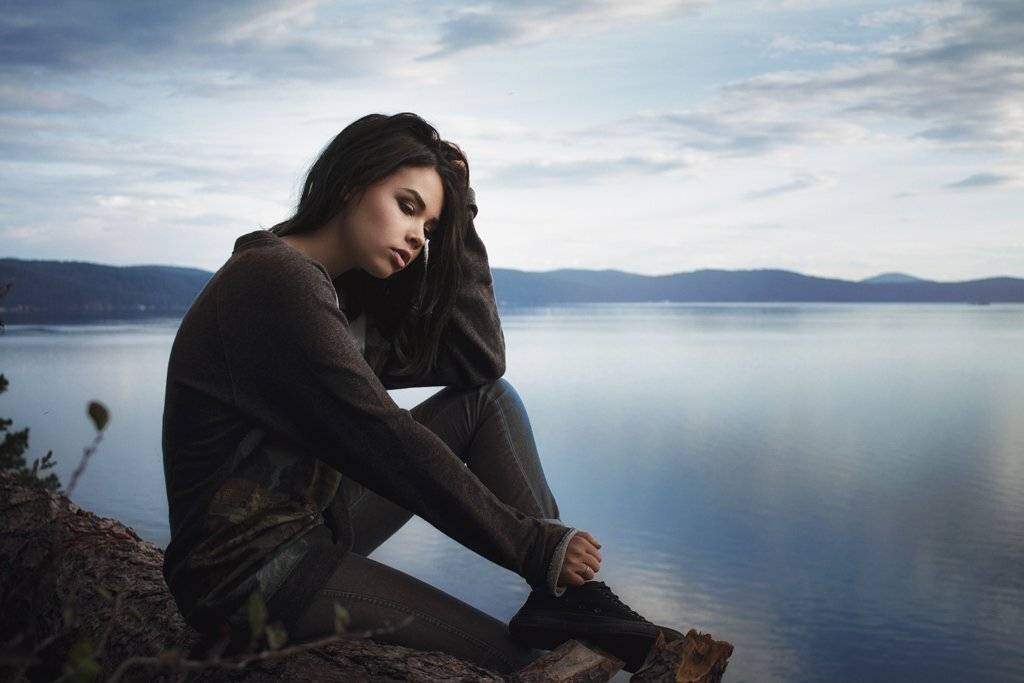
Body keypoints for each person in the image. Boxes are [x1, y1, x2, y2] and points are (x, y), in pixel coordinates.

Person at [161, 112, 681, 674]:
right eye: (407, 206)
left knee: (487, 401)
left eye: (430, 228)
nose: (417, 236)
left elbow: (478, 360)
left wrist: (464, 216)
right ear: (350, 183)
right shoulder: (275, 281)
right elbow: (383, 439)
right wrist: (532, 546)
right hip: (242, 574)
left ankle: (565, 602)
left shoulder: (339, 298)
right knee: (514, 662)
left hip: (310, 528)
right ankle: (559, 593)